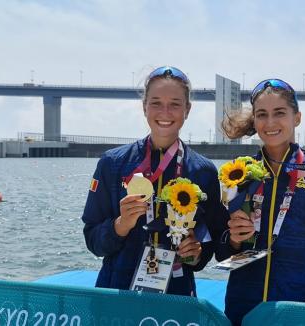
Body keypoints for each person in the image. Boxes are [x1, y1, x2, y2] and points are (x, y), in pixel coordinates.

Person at [220, 78, 305, 325]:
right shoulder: (237, 174)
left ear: (297, 117)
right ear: (255, 120)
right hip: (243, 312)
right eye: (262, 114)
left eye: (280, 113)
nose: (270, 123)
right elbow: (222, 255)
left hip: (302, 312)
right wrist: (233, 239)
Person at [82, 66, 227, 296]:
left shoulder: (204, 171)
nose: (165, 112)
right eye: (156, 102)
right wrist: (121, 225)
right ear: (144, 107)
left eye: (175, 104)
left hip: (177, 294)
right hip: (116, 292)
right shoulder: (112, 163)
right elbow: (93, 240)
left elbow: (210, 240)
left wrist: (196, 254)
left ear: (187, 110)